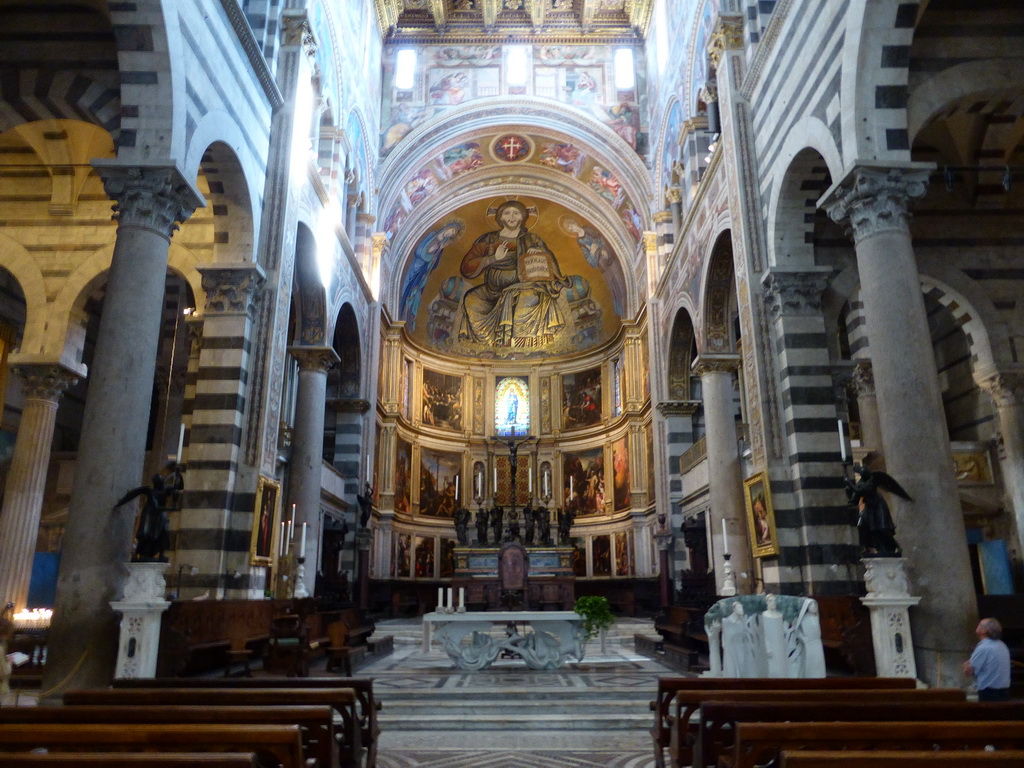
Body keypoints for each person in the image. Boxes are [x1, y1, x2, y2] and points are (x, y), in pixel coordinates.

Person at [457, 200, 572, 347]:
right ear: (501, 218)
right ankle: (487, 346)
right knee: (471, 299)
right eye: (507, 213)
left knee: (527, 298)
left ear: (522, 217)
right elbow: (467, 266)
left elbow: (550, 264)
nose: (511, 217)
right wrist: (493, 258)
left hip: (524, 286)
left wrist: (540, 254)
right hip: (492, 290)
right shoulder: (488, 239)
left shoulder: (532, 239)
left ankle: (520, 345)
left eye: (516, 213)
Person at [846, 462, 911, 557]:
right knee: (863, 526)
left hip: (878, 507)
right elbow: (855, 499)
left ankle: (896, 546)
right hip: (869, 507)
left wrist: (848, 482)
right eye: (862, 472)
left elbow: (860, 491)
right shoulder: (860, 482)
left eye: (865, 471)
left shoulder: (872, 481)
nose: (863, 473)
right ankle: (869, 548)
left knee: (882, 528)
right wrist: (848, 494)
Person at [963, 617, 1011, 701]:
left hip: (988, 692)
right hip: (1004, 691)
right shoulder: (1002, 645)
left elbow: (969, 671)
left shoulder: (984, 648)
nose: (977, 626)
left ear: (984, 631)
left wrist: (966, 665)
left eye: (980, 625)